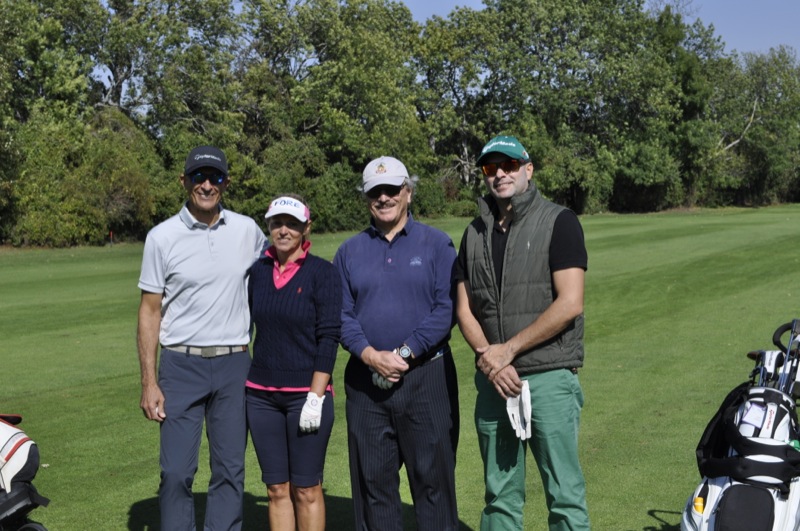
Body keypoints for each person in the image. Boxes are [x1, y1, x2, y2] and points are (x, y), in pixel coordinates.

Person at [455, 135, 590, 530]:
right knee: (499, 498)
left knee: (564, 496)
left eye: (509, 165)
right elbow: (464, 309)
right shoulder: (473, 233)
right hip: (495, 382)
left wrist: (507, 351)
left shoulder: (560, 221)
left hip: (549, 376)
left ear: (528, 169)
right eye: (490, 167)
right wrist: (492, 360)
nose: (500, 173)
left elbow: (570, 303)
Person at [137, 145, 267, 531]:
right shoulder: (161, 237)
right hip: (181, 365)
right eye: (199, 177)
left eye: (215, 177)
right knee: (176, 471)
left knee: (230, 470)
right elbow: (149, 311)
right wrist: (149, 382)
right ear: (184, 181)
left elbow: (278, 273)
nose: (207, 185)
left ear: (226, 182)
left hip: (234, 363)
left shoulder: (247, 230)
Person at [333, 156, 460, 531]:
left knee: (434, 485)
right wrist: (371, 355)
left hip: (426, 378)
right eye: (376, 192)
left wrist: (404, 353)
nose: (384, 198)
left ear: (408, 192)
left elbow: (446, 308)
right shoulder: (349, 251)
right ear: (366, 197)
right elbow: (341, 315)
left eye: (392, 190)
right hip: (365, 383)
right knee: (374, 487)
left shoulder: (437, 244)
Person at [245, 195, 341, 531]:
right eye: (277, 223)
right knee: (276, 489)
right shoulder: (257, 272)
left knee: (307, 489)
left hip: (306, 396)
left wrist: (316, 397)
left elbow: (328, 337)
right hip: (261, 396)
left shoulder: (323, 273)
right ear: (269, 226)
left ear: (306, 228)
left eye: (292, 224)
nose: (283, 230)